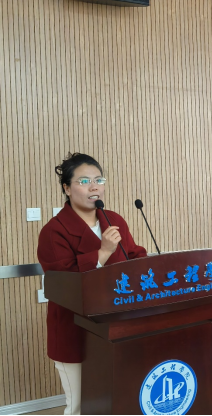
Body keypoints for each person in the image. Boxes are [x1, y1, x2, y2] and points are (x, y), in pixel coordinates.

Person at [37, 153, 147, 415]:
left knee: (118, 400)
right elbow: (64, 284)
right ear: (67, 188)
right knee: (80, 406)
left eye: (99, 180)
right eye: (84, 181)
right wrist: (102, 252)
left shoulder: (114, 220)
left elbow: (134, 257)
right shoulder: (53, 231)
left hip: (118, 326)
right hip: (75, 331)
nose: (94, 187)